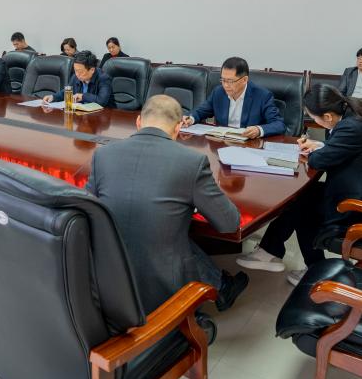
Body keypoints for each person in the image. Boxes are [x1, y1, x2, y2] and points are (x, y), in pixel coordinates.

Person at [88, 94, 248, 319]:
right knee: (170, 229)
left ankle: (220, 285)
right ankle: (216, 290)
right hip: (164, 293)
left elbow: (87, 209)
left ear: (138, 121)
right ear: (179, 127)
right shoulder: (192, 163)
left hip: (105, 279)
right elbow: (229, 223)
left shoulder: (103, 154)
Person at [236, 84, 362, 286]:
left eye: (312, 117)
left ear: (327, 117)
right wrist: (321, 145)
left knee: (304, 208)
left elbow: (318, 161)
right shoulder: (352, 116)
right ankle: (273, 252)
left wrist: (316, 151)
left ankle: (308, 266)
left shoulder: (351, 127)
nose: (312, 120)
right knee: (303, 197)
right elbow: (343, 148)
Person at [181, 57, 284, 139]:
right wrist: (190, 119)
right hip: (222, 144)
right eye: (223, 80)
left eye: (230, 81)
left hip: (249, 147)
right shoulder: (218, 92)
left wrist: (258, 130)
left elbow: (279, 124)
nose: (225, 85)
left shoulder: (262, 96)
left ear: (244, 80)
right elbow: (201, 111)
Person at [42, 50, 115, 107]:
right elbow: (67, 92)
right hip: (82, 114)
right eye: (75, 70)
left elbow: (102, 101)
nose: (77, 74)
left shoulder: (104, 78)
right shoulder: (76, 76)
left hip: (103, 116)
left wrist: (83, 96)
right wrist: (53, 97)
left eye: (80, 71)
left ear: (92, 70)